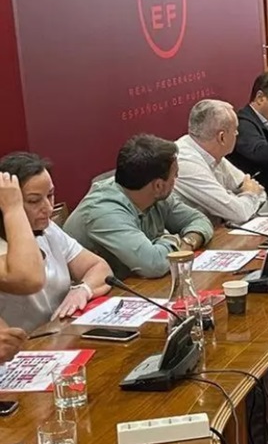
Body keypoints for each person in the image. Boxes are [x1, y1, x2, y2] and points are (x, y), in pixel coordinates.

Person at [65, 134, 214, 279]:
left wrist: (188, 242)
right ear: (158, 186)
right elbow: (154, 264)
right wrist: (172, 239)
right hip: (95, 292)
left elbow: (199, 220)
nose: (176, 179)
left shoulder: (155, 196)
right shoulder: (104, 211)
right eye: (174, 175)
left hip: (135, 285)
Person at [0, 153, 112, 331]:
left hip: (62, 335)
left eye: (50, 195)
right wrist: (13, 209)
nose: (48, 208)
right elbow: (29, 279)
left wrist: (83, 290)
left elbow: (99, 268)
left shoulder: (48, 228)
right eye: (34, 201)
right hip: (28, 345)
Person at [174, 100, 267, 224]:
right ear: (222, 137)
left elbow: (259, 191)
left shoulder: (213, 154)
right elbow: (239, 214)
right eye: (235, 130)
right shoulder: (185, 163)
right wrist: (250, 193)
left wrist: (246, 195)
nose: (237, 134)